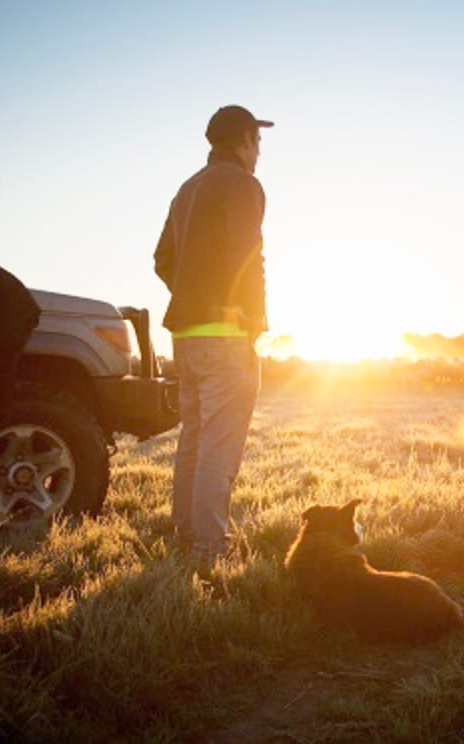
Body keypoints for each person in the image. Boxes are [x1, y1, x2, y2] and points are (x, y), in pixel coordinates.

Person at [154, 105, 273, 569]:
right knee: (219, 449)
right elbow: (249, 255)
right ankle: (209, 551)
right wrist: (253, 322)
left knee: (195, 439)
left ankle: (185, 536)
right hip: (226, 334)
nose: (259, 152)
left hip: (185, 335)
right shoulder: (242, 184)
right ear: (244, 140)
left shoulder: (187, 189)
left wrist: (192, 291)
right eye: (257, 142)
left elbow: (162, 258)